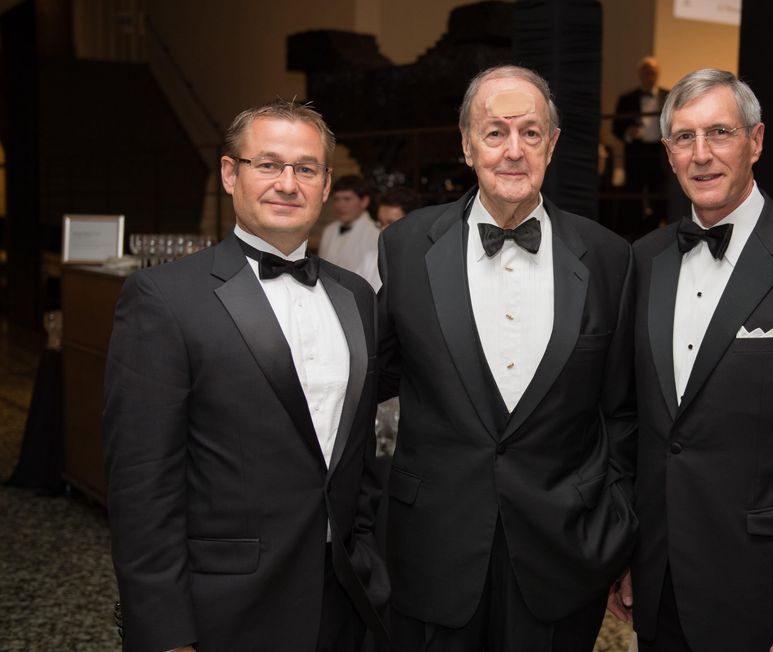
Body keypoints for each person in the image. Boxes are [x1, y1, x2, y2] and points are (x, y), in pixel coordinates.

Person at [103, 99, 388, 652]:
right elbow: (142, 485)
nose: (287, 183)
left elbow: (357, 453)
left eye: (305, 168)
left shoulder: (356, 297)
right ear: (231, 173)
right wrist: (164, 632)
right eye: (268, 164)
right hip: (226, 608)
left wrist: (371, 562)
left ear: (326, 184)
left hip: (343, 599)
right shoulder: (164, 299)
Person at [611, 69, 773, 652]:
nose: (702, 155)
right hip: (658, 588)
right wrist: (625, 554)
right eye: (684, 138)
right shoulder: (645, 259)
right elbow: (630, 426)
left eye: (720, 133)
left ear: (756, 141)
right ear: (667, 153)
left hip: (768, 598)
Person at [378, 64, 637, 651]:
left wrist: (616, 529)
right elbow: (365, 377)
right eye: (495, 132)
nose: (513, 150)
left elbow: (623, 410)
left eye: (530, 132)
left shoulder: (608, 257)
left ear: (553, 143)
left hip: (562, 556)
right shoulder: (406, 247)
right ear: (467, 145)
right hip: (433, 549)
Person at [614, 57, 672, 232]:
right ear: (640, 75)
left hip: (660, 152)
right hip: (636, 152)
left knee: (661, 194)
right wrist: (628, 133)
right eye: (646, 72)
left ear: (658, 74)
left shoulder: (668, 97)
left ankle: (658, 230)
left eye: (653, 72)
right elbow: (616, 127)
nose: (650, 76)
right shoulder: (626, 99)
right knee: (634, 195)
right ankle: (634, 234)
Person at [319, 174, 382, 290]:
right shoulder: (328, 230)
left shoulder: (375, 233)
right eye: (337, 199)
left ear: (364, 201)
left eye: (347, 199)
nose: (341, 205)